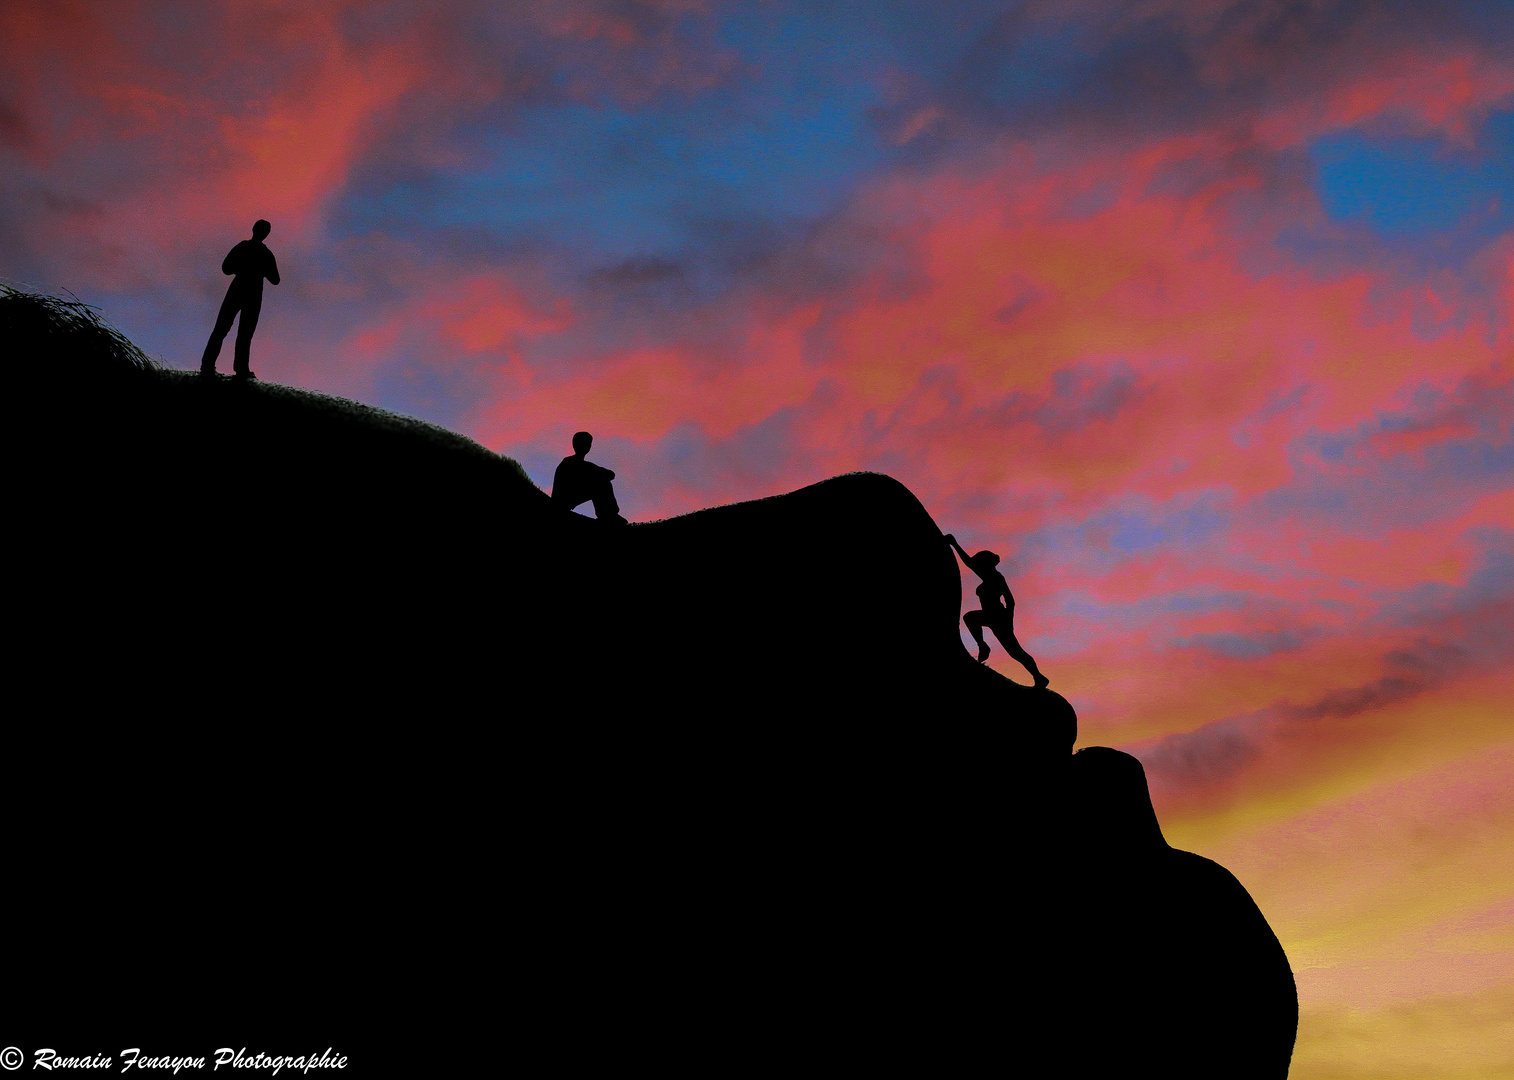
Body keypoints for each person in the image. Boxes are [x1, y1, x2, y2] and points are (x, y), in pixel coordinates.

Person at [945, 533, 1048, 688]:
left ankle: (1038, 676)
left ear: (986, 563)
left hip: (998, 617)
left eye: (980, 562)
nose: (977, 565)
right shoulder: (989, 577)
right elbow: (970, 563)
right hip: (990, 615)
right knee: (970, 618)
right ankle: (982, 646)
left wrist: (1008, 621)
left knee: (1015, 651)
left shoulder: (994, 577)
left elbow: (1010, 601)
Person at [201, 219, 280, 379]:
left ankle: (237, 368)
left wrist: (255, 269)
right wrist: (251, 269)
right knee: (226, 328)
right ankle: (214, 365)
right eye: (264, 230)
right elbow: (226, 268)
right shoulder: (257, 251)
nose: (264, 233)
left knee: (240, 331)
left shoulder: (259, 252)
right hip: (244, 292)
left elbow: (275, 279)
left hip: (248, 293)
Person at [552, 432, 627, 524]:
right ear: (575, 444)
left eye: (588, 443)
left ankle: (609, 514)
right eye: (584, 443)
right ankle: (608, 515)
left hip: (568, 498)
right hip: (562, 501)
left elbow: (610, 474)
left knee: (602, 482)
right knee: (602, 484)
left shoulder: (583, 464)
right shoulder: (570, 463)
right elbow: (606, 474)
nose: (587, 446)